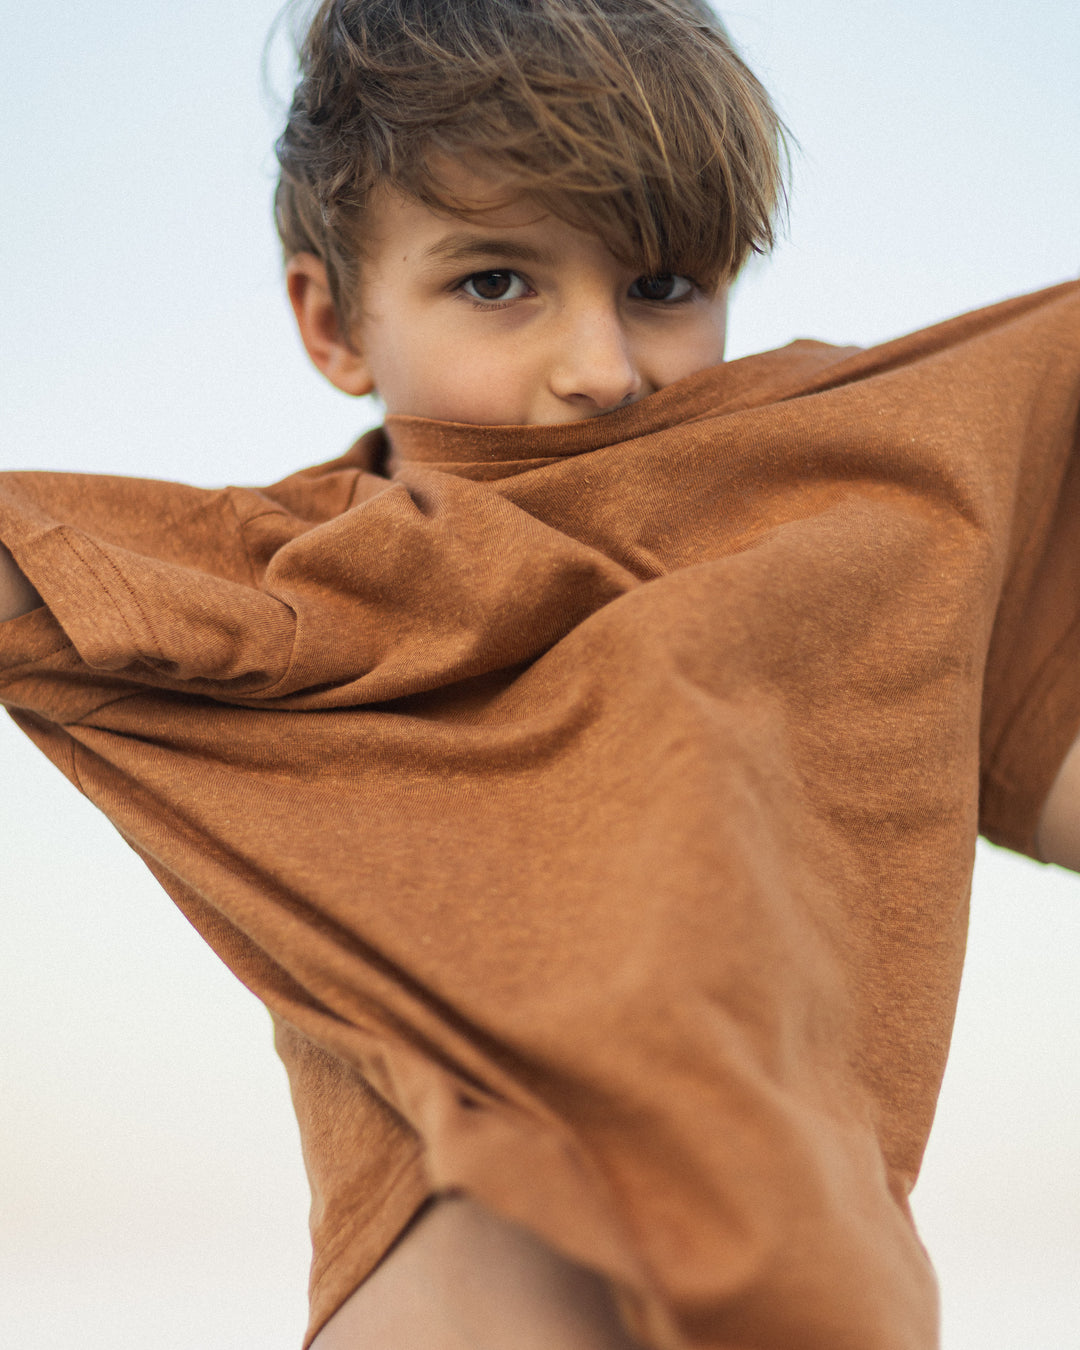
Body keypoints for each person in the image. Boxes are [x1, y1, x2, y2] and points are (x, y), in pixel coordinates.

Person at [1, 2, 1078, 1347]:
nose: (603, 370)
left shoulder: (836, 535)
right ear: (332, 321)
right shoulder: (290, 581)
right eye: (497, 282)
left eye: (663, 286)